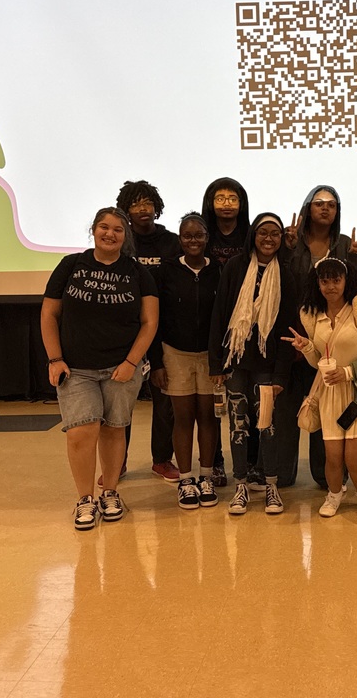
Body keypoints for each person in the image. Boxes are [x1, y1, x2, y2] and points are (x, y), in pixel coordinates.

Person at [41, 207, 158, 530]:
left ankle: (110, 492)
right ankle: (84, 499)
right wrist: (55, 358)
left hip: (121, 367)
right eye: (104, 227)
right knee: (82, 431)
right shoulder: (71, 265)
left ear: (126, 236)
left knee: (113, 429)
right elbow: (49, 314)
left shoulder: (137, 272)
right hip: (76, 368)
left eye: (118, 230)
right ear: (93, 230)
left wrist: (131, 362)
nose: (110, 234)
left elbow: (149, 322)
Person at [284, 258, 357, 517]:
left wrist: (348, 372)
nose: (330, 286)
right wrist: (307, 347)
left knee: (354, 457)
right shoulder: (314, 318)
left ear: (346, 281)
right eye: (325, 281)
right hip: (328, 393)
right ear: (317, 283)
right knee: (332, 456)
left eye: (336, 280)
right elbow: (318, 362)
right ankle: (334, 495)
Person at [280, 185, 357, 488]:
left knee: (331, 408)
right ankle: (284, 472)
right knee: (298, 406)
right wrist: (288, 250)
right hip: (297, 336)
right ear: (307, 207)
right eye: (319, 203)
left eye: (331, 204)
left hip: (334, 340)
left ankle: (326, 475)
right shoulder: (293, 242)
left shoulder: (345, 245)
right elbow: (284, 283)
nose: (325, 208)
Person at [208, 213, 297, 515]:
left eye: (275, 233)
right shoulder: (235, 267)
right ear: (253, 236)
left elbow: (288, 329)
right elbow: (220, 315)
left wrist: (282, 373)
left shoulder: (286, 274)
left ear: (281, 238)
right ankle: (241, 487)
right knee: (238, 426)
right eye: (263, 233)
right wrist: (216, 365)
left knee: (268, 426)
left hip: (268, 364)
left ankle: (271, 486)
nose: (269, 239)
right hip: (236, 361)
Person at [151, 213, 221, 510]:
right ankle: (186, 480)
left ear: (207, 238)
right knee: (182, 417)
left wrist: (222, 360)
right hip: (174, 353)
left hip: (210, 356)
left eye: (199, 235)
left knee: (208, 416)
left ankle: (206, 476)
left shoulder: (218, 270)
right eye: (187, 236)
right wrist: (156, 362)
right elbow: (154, 319)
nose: (193, 241)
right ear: (180, 239)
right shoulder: (165, 272)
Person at [114, 180, 181, 483]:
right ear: (125, 210)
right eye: (135, 204)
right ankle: (118, 462)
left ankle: (162, 460)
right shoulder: (120, 241)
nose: (143, 209)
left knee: (164, 400)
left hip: (165, 329)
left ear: (157, 207)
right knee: (120, 401)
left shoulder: (172, 242)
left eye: (148, 203)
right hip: (127, 331)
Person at [200, 176, 252, 488]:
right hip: (209, 320)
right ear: (210, 202)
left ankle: (248, 462)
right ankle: (215, 461)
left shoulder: (250, 235)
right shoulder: (202, 236)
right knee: (214, 402)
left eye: (232, 198)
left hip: (243, 325)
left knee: (243, 398)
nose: (227, 204)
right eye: (220, 198)